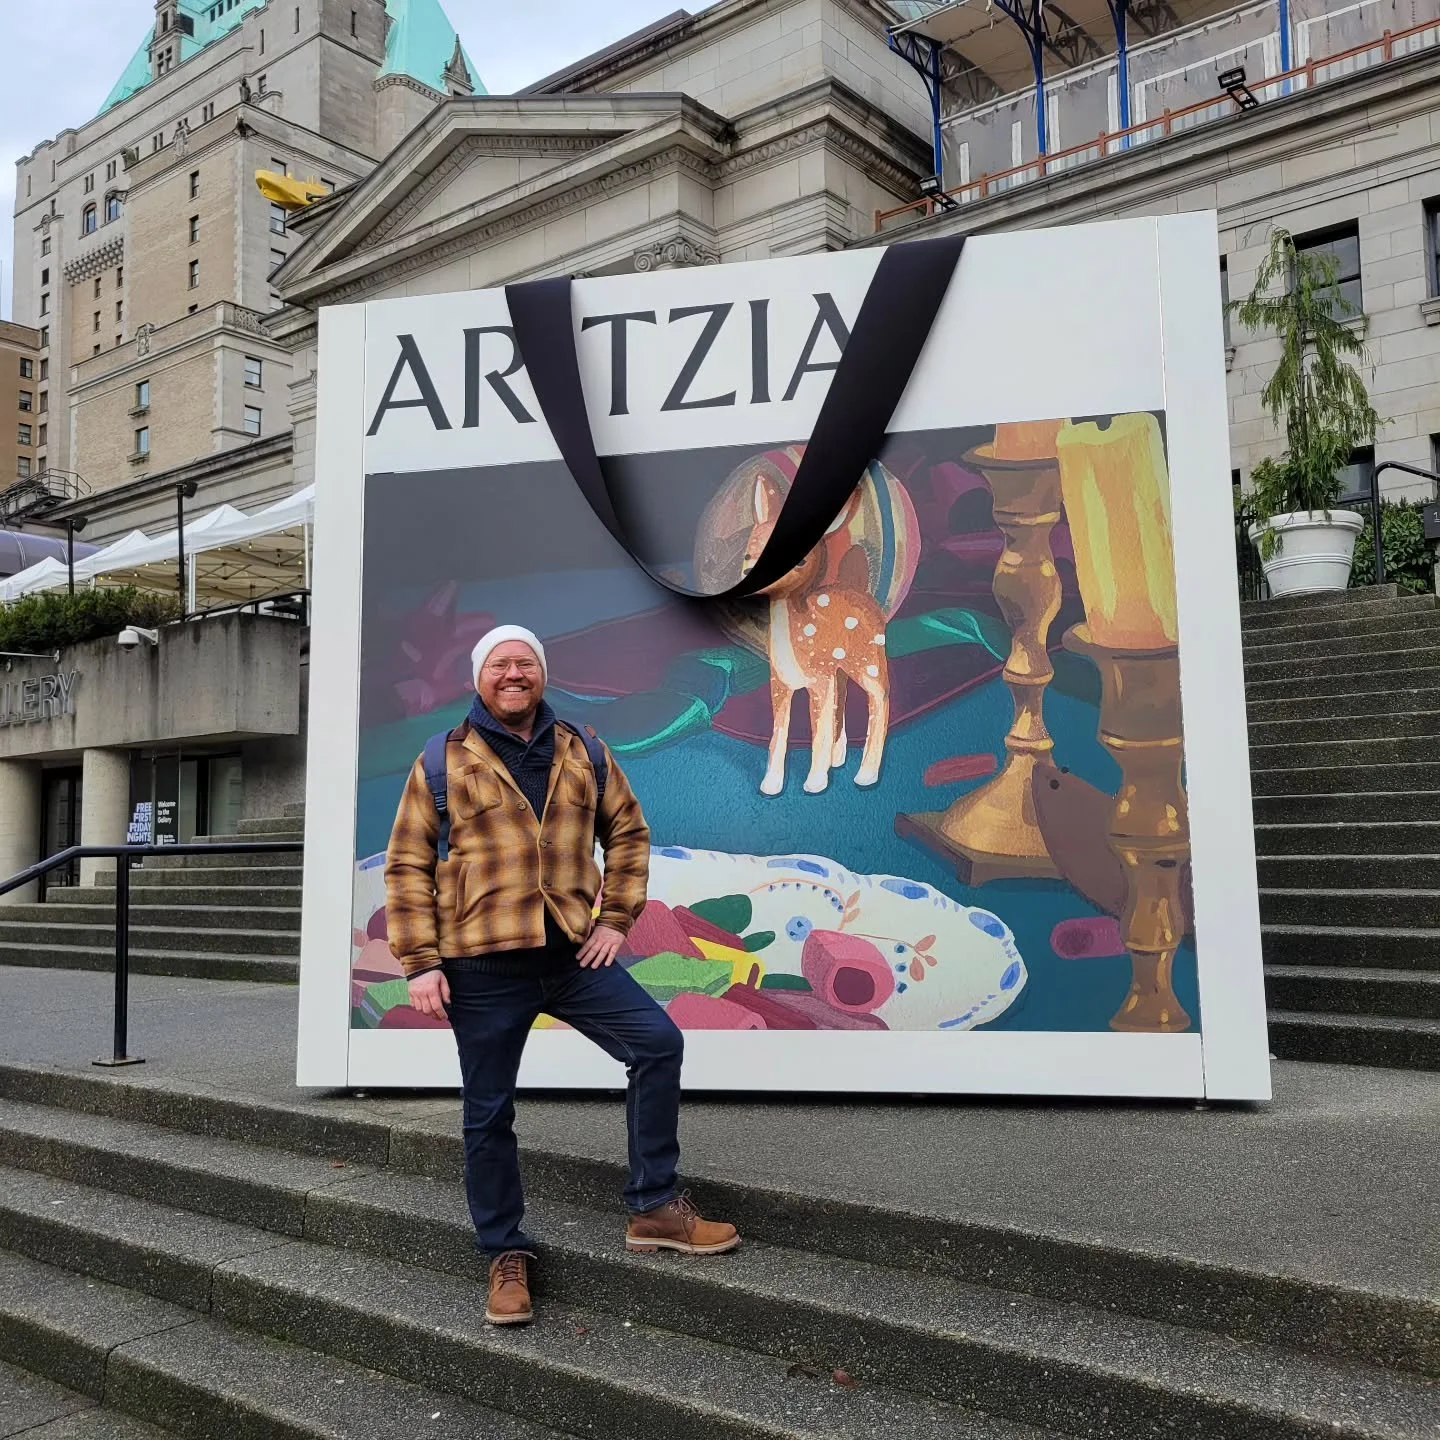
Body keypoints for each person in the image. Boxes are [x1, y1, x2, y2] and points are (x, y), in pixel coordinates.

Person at [385, 623, 739, 1326]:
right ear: (479, 677)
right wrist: (420, 962)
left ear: (541, 674)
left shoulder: (586, 750)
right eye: (499, 664)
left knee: (657, 1044)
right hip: (481, 967)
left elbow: (628, 834)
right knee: (488, 1114)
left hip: (572, 959)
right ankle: (504, 1253)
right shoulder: (439, 760)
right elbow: (407, 864)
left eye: (525, 662)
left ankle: (654, 1207)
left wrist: (616, 921)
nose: (513, 674)